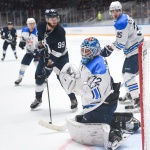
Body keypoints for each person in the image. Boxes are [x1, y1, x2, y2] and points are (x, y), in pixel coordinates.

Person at [60, 37, 140, 149]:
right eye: (83, 50)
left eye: (87, 51)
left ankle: (113, 135)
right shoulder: (89, 60)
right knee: (82, 119)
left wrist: (76, 88)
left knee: (85, 124)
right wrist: (75, 78)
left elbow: (96, 94)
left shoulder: (99, 67)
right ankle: (126, 121)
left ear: (95, 51)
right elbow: (85, 80)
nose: (84, 53)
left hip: (101, 105)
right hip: (99, 104)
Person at [30, 9, 78, 111]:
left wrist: (50, 63)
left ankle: (73, 99)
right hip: (46, 54)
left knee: (64, 78)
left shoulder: (60, 31)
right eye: (52, 18)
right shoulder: (41, 25)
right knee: (39, 76)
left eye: (56, 18)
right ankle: (38, 99)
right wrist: (41, 44)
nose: (54, 20)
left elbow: (59, 50)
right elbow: (40, 36)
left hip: (61, 57)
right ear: (47, 19)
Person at [100, 1, 144, 111]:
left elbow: (120, 44)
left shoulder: (121, 23)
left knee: (128, 75)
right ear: (110, 12)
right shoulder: (125, 17)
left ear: (121, 11)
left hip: (136, 51)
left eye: (117, 11)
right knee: (125, 74)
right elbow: (122, 39)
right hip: (136, 48)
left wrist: (109, 48)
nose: (115, 13)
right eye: (113, 11)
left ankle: (137, 99)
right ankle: (130, 94)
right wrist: (111, 46)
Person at [14, 18, 39, 85]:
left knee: (38, 65)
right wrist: (21, 43)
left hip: (37, 51)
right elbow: (23, 39)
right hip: (29, 51)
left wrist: (38, 49)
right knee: (23, 65)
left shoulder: (38, 31)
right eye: (30, 24)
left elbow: (42, 42)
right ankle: (20, 78)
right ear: (27, 24)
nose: (32, 25)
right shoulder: (24, 30)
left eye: (33, 24)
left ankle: (41, 78)